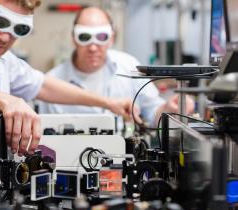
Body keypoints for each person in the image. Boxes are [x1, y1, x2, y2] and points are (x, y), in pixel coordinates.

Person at [0, 0, 135, 155]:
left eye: (18, 29)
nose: (6, 37)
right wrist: (8, 102)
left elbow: (43, 85)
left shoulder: (3, 60)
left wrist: (108, 103)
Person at [39, 7, 194, 128]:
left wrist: (170, 108)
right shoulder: (52, 82)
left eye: (101, 37)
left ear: (111, 38)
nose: (93, 47)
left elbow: (153, 114)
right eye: (85, 37)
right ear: (74, 38)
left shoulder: (128, 67)